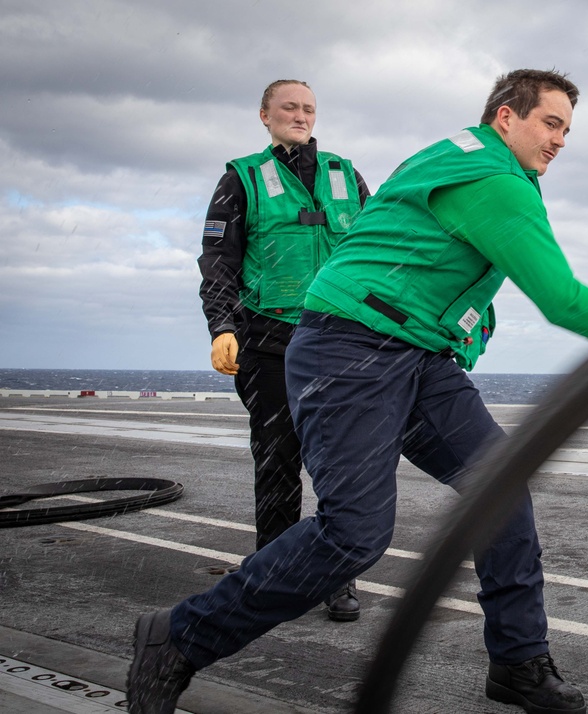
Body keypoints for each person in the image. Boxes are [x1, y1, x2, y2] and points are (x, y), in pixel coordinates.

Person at [130, 68, 588, 714]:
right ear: (507, 117)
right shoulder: (493, 180)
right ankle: (177, 638)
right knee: (354, 535)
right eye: (551, 123)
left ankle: (518, 662)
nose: (561, 140)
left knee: (500, 487)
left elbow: (449, 278)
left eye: (567, 129)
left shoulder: (469, 165)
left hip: (414, 353)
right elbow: (564, 300)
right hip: (351, 347)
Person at [196, 79, 370, 620]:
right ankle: (272, 574)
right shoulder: (241, 179)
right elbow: (218, 261)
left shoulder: (347, 176)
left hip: (341, 343)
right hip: (268, 342)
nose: (300, 115)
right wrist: (221, 326)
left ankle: (334, 572)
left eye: (309, 108)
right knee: (276, 460)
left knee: (341, 464)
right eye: (289, 107)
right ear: (265, 115)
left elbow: (379, 250)